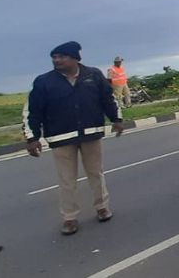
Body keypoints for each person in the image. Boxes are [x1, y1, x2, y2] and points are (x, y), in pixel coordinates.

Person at [25, 41, 123, 235]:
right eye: (54, 57)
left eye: (61, 57)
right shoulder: (43, 81)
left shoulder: (93, 75)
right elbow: (32, 111)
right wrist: (32, 138)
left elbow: (108, 99)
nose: (57, 60)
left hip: (90, 133)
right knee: (66, 180)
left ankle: (102, 207)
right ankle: (70, 218)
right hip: (60, 137)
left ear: (75, 59)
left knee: (96, 173)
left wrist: (117, 119)